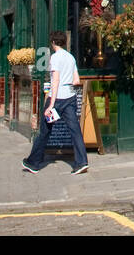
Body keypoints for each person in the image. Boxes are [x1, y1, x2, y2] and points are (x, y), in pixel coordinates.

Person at [22, 30, 88, 175]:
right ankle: (81, 162)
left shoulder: (54, 58)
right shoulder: (71, 58)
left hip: (57, 98)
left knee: (44, 131)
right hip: (70, 97)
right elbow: (76, 80)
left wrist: (51, 105)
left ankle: (33, 163)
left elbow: (55, 80)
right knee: (75, 130)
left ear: (53, 42)